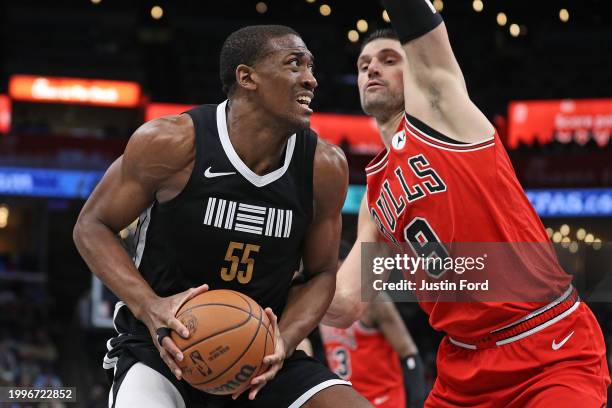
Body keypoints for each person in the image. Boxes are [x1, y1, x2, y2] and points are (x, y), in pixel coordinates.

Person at [324, 1, 610, 406]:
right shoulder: (373, 194)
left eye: (389, 60)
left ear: (417, 70)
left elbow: (423, 32)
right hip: (464, 368)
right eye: (363, 63)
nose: (372, 68)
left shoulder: (446, 115)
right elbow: (345, 304)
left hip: (547, 345)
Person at [73, 25, 371, 408]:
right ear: (247, 77)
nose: (311, 79)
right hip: (164, 349)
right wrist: (150, 306)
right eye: (294, 64)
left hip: (259, 354)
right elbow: (91, 226)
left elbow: (321, 275)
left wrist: (284, 339)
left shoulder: (324, 166)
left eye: (311, 67)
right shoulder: (173, 143)